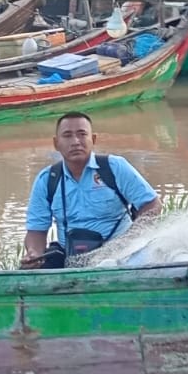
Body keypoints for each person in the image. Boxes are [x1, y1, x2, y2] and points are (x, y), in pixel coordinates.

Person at [22, 111, 159, 268]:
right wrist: (34, 253)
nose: (75, 142)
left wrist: (132, 238)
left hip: (121, 254)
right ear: (56, 143)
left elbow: (152, 204)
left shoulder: (115, 167)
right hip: (70, 255)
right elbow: (36, 230)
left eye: (82, 134)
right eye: (67, 135)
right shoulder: (47, 179)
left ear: (93, 139)